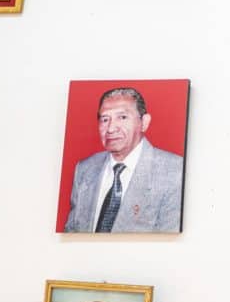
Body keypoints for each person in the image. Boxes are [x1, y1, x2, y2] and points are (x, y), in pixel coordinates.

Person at [64, 87, 184, 233]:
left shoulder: (175, 171)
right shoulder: (85, 169)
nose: (111, 129)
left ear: (144, 122)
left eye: (122, 117)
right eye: (105, 119)